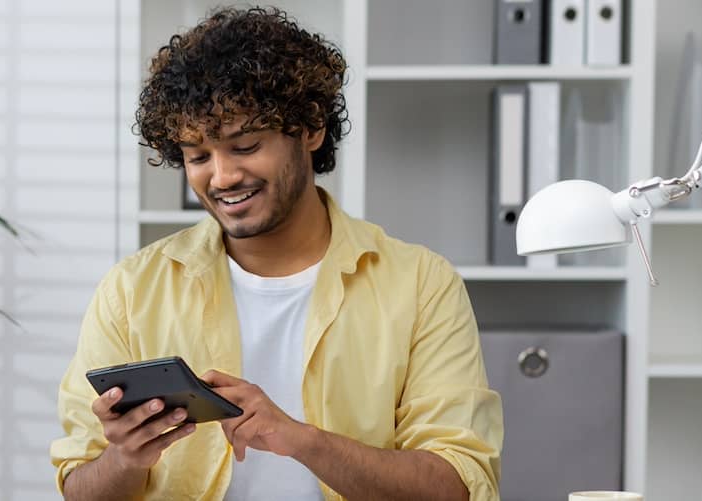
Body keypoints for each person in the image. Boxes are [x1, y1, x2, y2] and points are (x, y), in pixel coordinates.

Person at [50, 6, 502, 500]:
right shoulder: (132, 290)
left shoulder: (419, 284)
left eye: (244, 146)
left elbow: (457, 486)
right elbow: (80, 490)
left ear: (310, 129)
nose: (220, 177)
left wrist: (299, 439)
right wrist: (125, 458)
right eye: (198, 156)